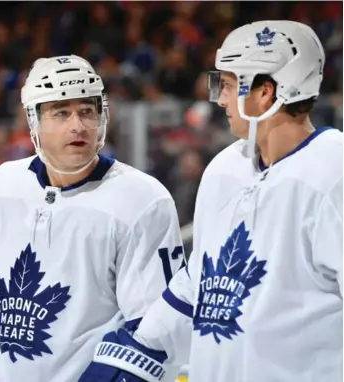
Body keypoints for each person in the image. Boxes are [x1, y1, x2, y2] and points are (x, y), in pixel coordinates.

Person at [81, 20, 343, 382]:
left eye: (230, 85)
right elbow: (202, 281)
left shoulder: (334, 172)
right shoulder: (225, 169)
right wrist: (142, 348)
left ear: (266, 92)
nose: (220, 98)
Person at [0, 55, 185, 382]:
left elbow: (155, 325)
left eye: (87, 111)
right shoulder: (5, 185)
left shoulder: (142, 199)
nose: (78, 125)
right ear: (34, 121)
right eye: (61, 112)